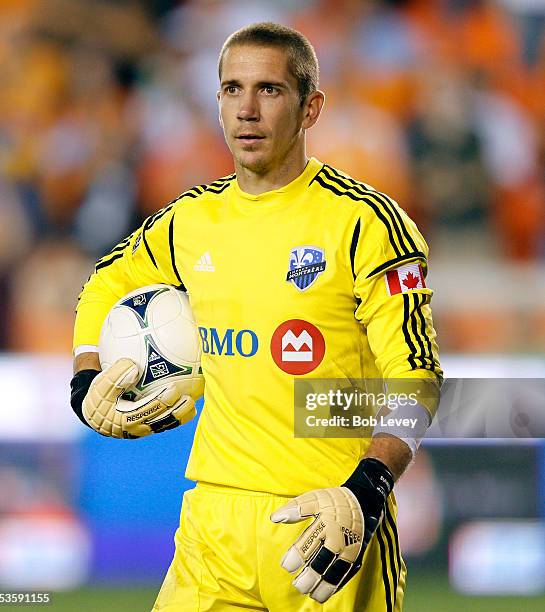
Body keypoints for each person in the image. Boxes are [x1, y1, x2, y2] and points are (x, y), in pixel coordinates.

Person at [70, 22, 442, 611]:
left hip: (326, 519)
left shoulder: (365, 225)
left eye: (269, 90)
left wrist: (369, 489)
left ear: (310, 107)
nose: (246, 110)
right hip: (212, 522)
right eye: (231, 89)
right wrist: (86, 375)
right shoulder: (189, 220)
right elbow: (103, 282)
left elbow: (417, 376)